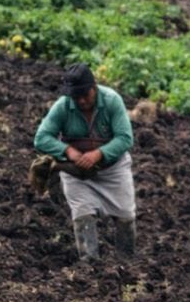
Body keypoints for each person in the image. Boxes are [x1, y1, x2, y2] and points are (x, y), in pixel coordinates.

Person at [32, 63, 136, 262]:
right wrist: (67, 150)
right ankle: (90, 267)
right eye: (76, 96)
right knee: (82, 213)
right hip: (76, 172)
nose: (81, 101)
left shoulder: (112, 100)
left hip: (112, 169)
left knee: (125, 214)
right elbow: (41, 138)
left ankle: (127, 264)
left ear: (94, 87)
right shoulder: (63, 106)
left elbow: (125, 138)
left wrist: (99, 154)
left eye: (85, 95)